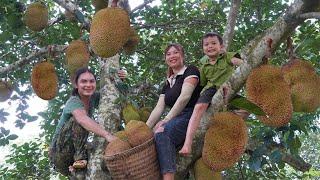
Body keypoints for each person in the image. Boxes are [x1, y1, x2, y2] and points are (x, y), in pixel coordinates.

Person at [49, 67, 126, 176]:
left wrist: (119, 79)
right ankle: (79, 158)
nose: (88, 85)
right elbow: (82, 119)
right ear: (76, 85)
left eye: (91, 81)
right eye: (83, 81)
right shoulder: (74, 101)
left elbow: (114, 98)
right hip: (59, 153)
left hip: (73, 158)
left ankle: (77, 170)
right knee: (78, 120)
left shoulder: (93, 98)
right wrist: (107, 135)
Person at [179, 32, 244, 156]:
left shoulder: (227, 57)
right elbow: (202, 84)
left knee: (246, 109)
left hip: (229, 89)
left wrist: (230, 57)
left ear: (221, 46)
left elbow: (242, 64)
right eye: (206, 45)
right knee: (198, 108)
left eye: (214, 43)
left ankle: (228, 126)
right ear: (203, 48)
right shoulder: (204, 66)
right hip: (211, 89)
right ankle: (187, 144)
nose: (210, 47)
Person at [146, 43, 202, 180]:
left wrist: (166, 120)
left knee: (162, 133)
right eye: (168, 54)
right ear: (165, 58)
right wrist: (145, 129)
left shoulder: (191, 70)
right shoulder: (168, 83)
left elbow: (184, 97)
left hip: (191, 113)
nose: (172, 56)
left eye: (175, 52)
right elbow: (159, 108)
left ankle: (168, 177)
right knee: (151, 138)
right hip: (177, 118)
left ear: (182, 55)